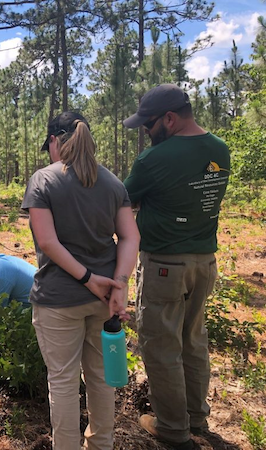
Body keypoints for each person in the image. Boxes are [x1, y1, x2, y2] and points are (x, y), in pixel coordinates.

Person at [21, 111, 140, 450]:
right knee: (101, 379)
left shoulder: (43, 180)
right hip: (104, 301)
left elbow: (47, 243)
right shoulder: (113, 183)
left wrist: (89, 279)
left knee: (62, 381)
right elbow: (130, 238)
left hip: (59, 300)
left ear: (55, 142)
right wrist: (119, 283)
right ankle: (101, 445)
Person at [123, 84, 230, 449]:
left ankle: (171, 427)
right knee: (193, 338)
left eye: (148, 125)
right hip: (205, 261)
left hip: (165, 263)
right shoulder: (220, 150)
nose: (146, 132)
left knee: (159, 344)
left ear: (169, 118)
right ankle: (196, 418)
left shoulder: (154, 160)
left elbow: (124, 202)